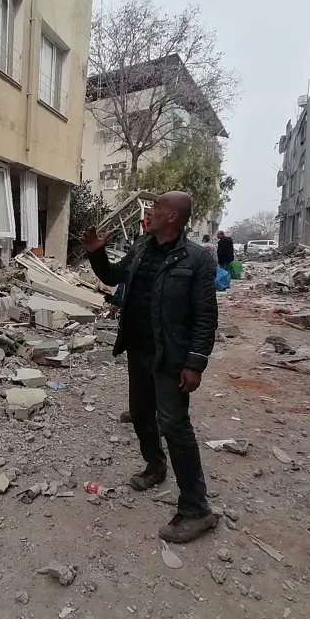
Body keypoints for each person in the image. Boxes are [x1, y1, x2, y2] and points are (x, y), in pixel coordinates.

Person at [83, 191, 219, 543]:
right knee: (141, 413)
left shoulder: (197, 259)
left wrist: (196, 363)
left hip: (170, 355)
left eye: (156, 208)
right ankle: (155, 465)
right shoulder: (142, 247)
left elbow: (205, 316)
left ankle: (197, 509)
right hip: (138, 347)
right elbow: (114, 276)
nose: (150, 213)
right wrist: (96, 252)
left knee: (174, 424)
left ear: (172, 216)